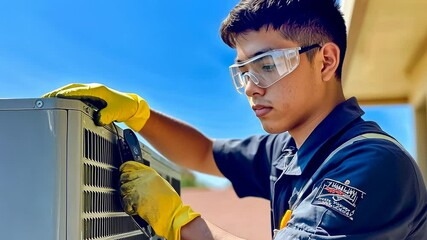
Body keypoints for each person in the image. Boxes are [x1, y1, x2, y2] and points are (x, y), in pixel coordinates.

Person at [43, 0, 427, 239]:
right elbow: (204, 153)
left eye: (267, 65)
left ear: (325, 60)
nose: (251, 87)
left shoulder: (371, 163)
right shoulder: (289, 150)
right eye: (244, 72)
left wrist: (179, 222)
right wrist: (139, 113)